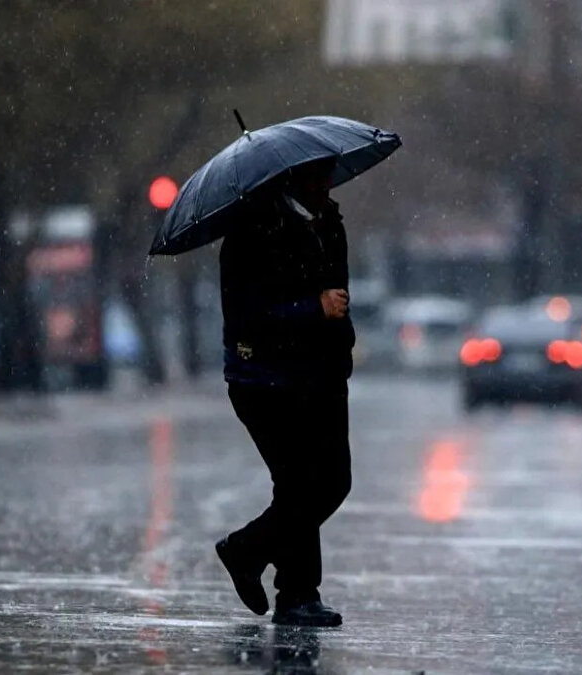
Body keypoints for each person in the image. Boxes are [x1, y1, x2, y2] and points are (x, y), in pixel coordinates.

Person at [215, 157, 353, 628]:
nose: (326, 184)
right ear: (293, 177)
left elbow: (340, 294)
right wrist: (311, 308)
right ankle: (296, 594)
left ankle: (249, 552)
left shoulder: (330, 222)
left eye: (329, 175)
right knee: (300, 484)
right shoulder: (252, 230)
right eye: (318, 176)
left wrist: (339, 342)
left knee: (332, 482)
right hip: (267, 381)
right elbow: (249, 313)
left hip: (323, 375)